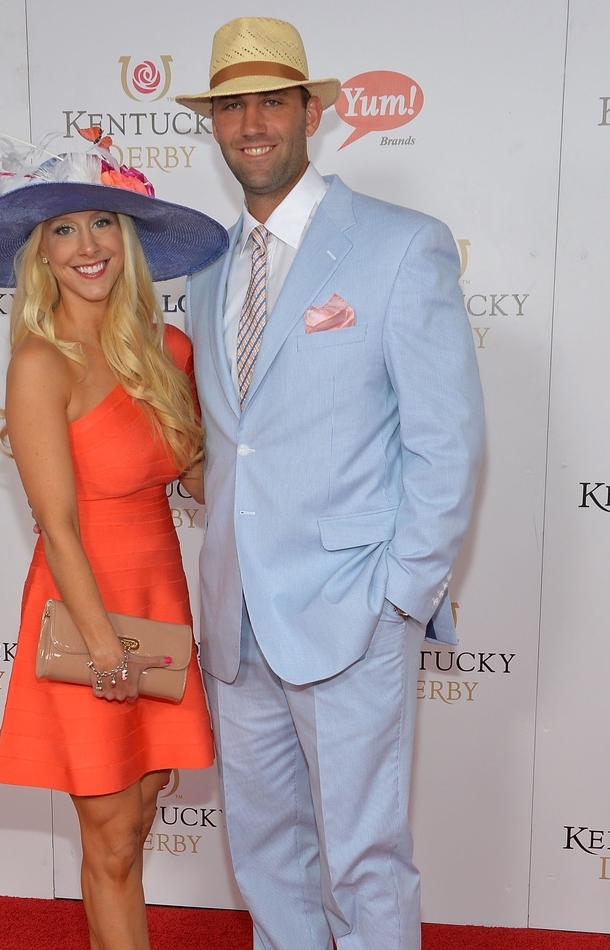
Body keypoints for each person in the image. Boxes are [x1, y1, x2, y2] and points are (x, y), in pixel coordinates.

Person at [175, 17, 485, 950]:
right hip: (236, 620)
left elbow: (448, 441)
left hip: (352, 615)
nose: (252, 124)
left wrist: (400, 595)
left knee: (363, 860)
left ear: (312, 111)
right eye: (233, 106)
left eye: (273, 100)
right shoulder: (204, 269)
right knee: (267, 854)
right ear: (215, 124)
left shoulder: (400, 245)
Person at [0, 143, 228, 950]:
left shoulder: (167, 350)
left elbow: (196, 473)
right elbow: (56, 526)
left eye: (103, 222)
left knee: (134, 824)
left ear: (128, 238)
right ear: (41, 254)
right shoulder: (40, 364)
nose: (88, 244)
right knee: (107, 840)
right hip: (83, 612)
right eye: (63, 229)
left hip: (159, 600)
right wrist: (102, 644)